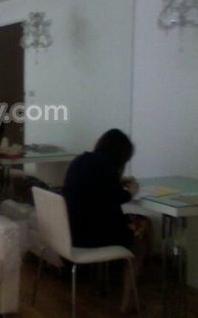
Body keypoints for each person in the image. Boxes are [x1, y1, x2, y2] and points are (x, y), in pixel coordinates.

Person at [63, 128, 149, 312]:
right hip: (91, 237)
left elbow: (98, 190)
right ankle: (127, 302)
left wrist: (118, 182)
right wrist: (131, 191)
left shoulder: (81, 160)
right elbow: (117, 198)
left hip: (70, 233)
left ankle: (103, 284)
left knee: (126, 226)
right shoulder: (106, 167)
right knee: (140, 246)